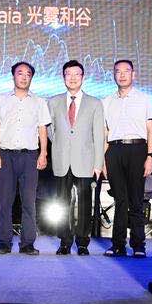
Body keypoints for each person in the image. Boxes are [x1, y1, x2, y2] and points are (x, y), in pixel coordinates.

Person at [0, 61, 51, 256]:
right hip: (5, 155)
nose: (24, 77)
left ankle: (27, 243)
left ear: (31, 78)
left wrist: (43, 153)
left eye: (28, 74)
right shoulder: (1, 99)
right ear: (13, 76)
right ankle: (4, 243)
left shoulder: (39, 102)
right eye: (20, 73)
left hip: (29, 157)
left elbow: (42, 129)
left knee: (29, 202)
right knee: (5, 201)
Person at [48, 60, 105, 255]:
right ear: (63, 77)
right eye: (68, 74)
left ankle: (82, 242)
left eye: (76, 74)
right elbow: (50, 130)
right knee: (62, 203)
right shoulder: (53, 102)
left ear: (83, 77)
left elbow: (99, 136)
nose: (72, 78)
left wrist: (98, 164)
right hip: (62, 160)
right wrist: (60, 144)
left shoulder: (95, 103)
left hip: (86, 161)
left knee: (84, 204)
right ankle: (64, 241)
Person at [102, 60, 152, 258]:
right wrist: (102, 160)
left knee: (136, 200)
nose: (122, 75)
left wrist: (150, 156)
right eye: (118, 71)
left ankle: (138, 245)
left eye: (126, 71)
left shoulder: (144, 99)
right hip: (114, 150)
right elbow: (105, 132)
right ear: (113, 75)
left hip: (137, 149)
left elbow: (150, 130)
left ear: (134, 74)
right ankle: (118, 245)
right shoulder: (107, 101)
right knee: (120, 200)